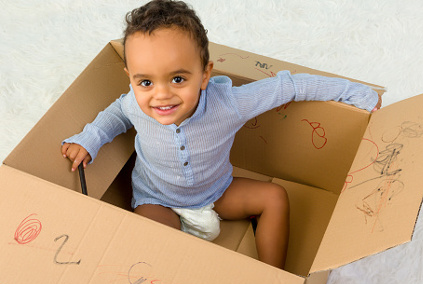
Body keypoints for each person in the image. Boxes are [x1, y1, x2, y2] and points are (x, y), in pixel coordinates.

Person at [61, 0, 381, 269]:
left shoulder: (230, 103)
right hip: (156, 199)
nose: (161, 95)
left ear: (204, 74)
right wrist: (89, 139)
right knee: (153, 242)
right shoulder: (134, 103)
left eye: (177, 79)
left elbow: (289, 86)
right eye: (146, 82)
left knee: (274, 197)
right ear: (130, 78)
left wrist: (354, 92)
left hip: (216, 191)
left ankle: (271, 277)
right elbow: (115, 114)